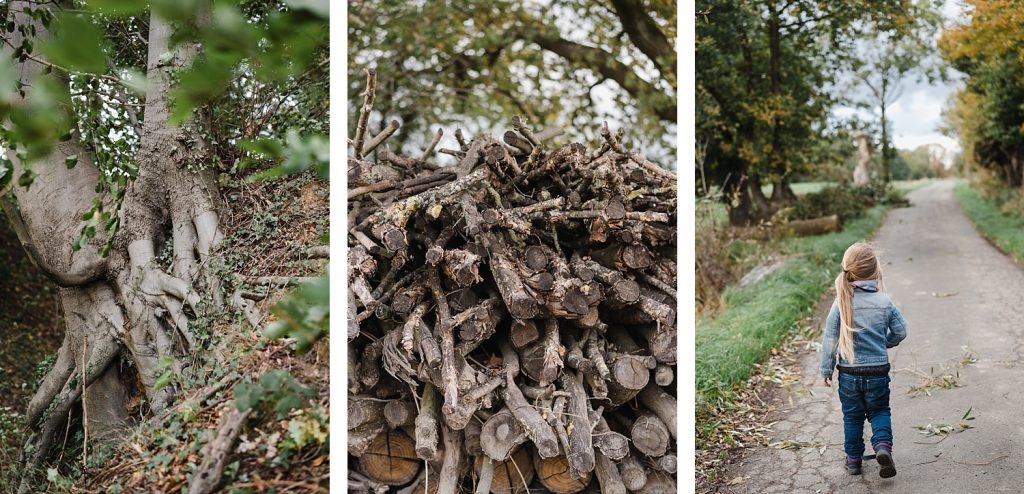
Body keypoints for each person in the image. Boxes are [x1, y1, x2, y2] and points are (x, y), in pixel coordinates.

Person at [819, 242, 907, 478]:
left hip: (848, 374)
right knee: (879, 411)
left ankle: (854, 461)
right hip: (878, 372)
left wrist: (825, 370)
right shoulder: (884, 301)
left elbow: (830, 340)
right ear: (876, 270)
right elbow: (901, 331)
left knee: (852, 417)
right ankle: (882, 448)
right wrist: (883, 343)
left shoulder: (840, 303)